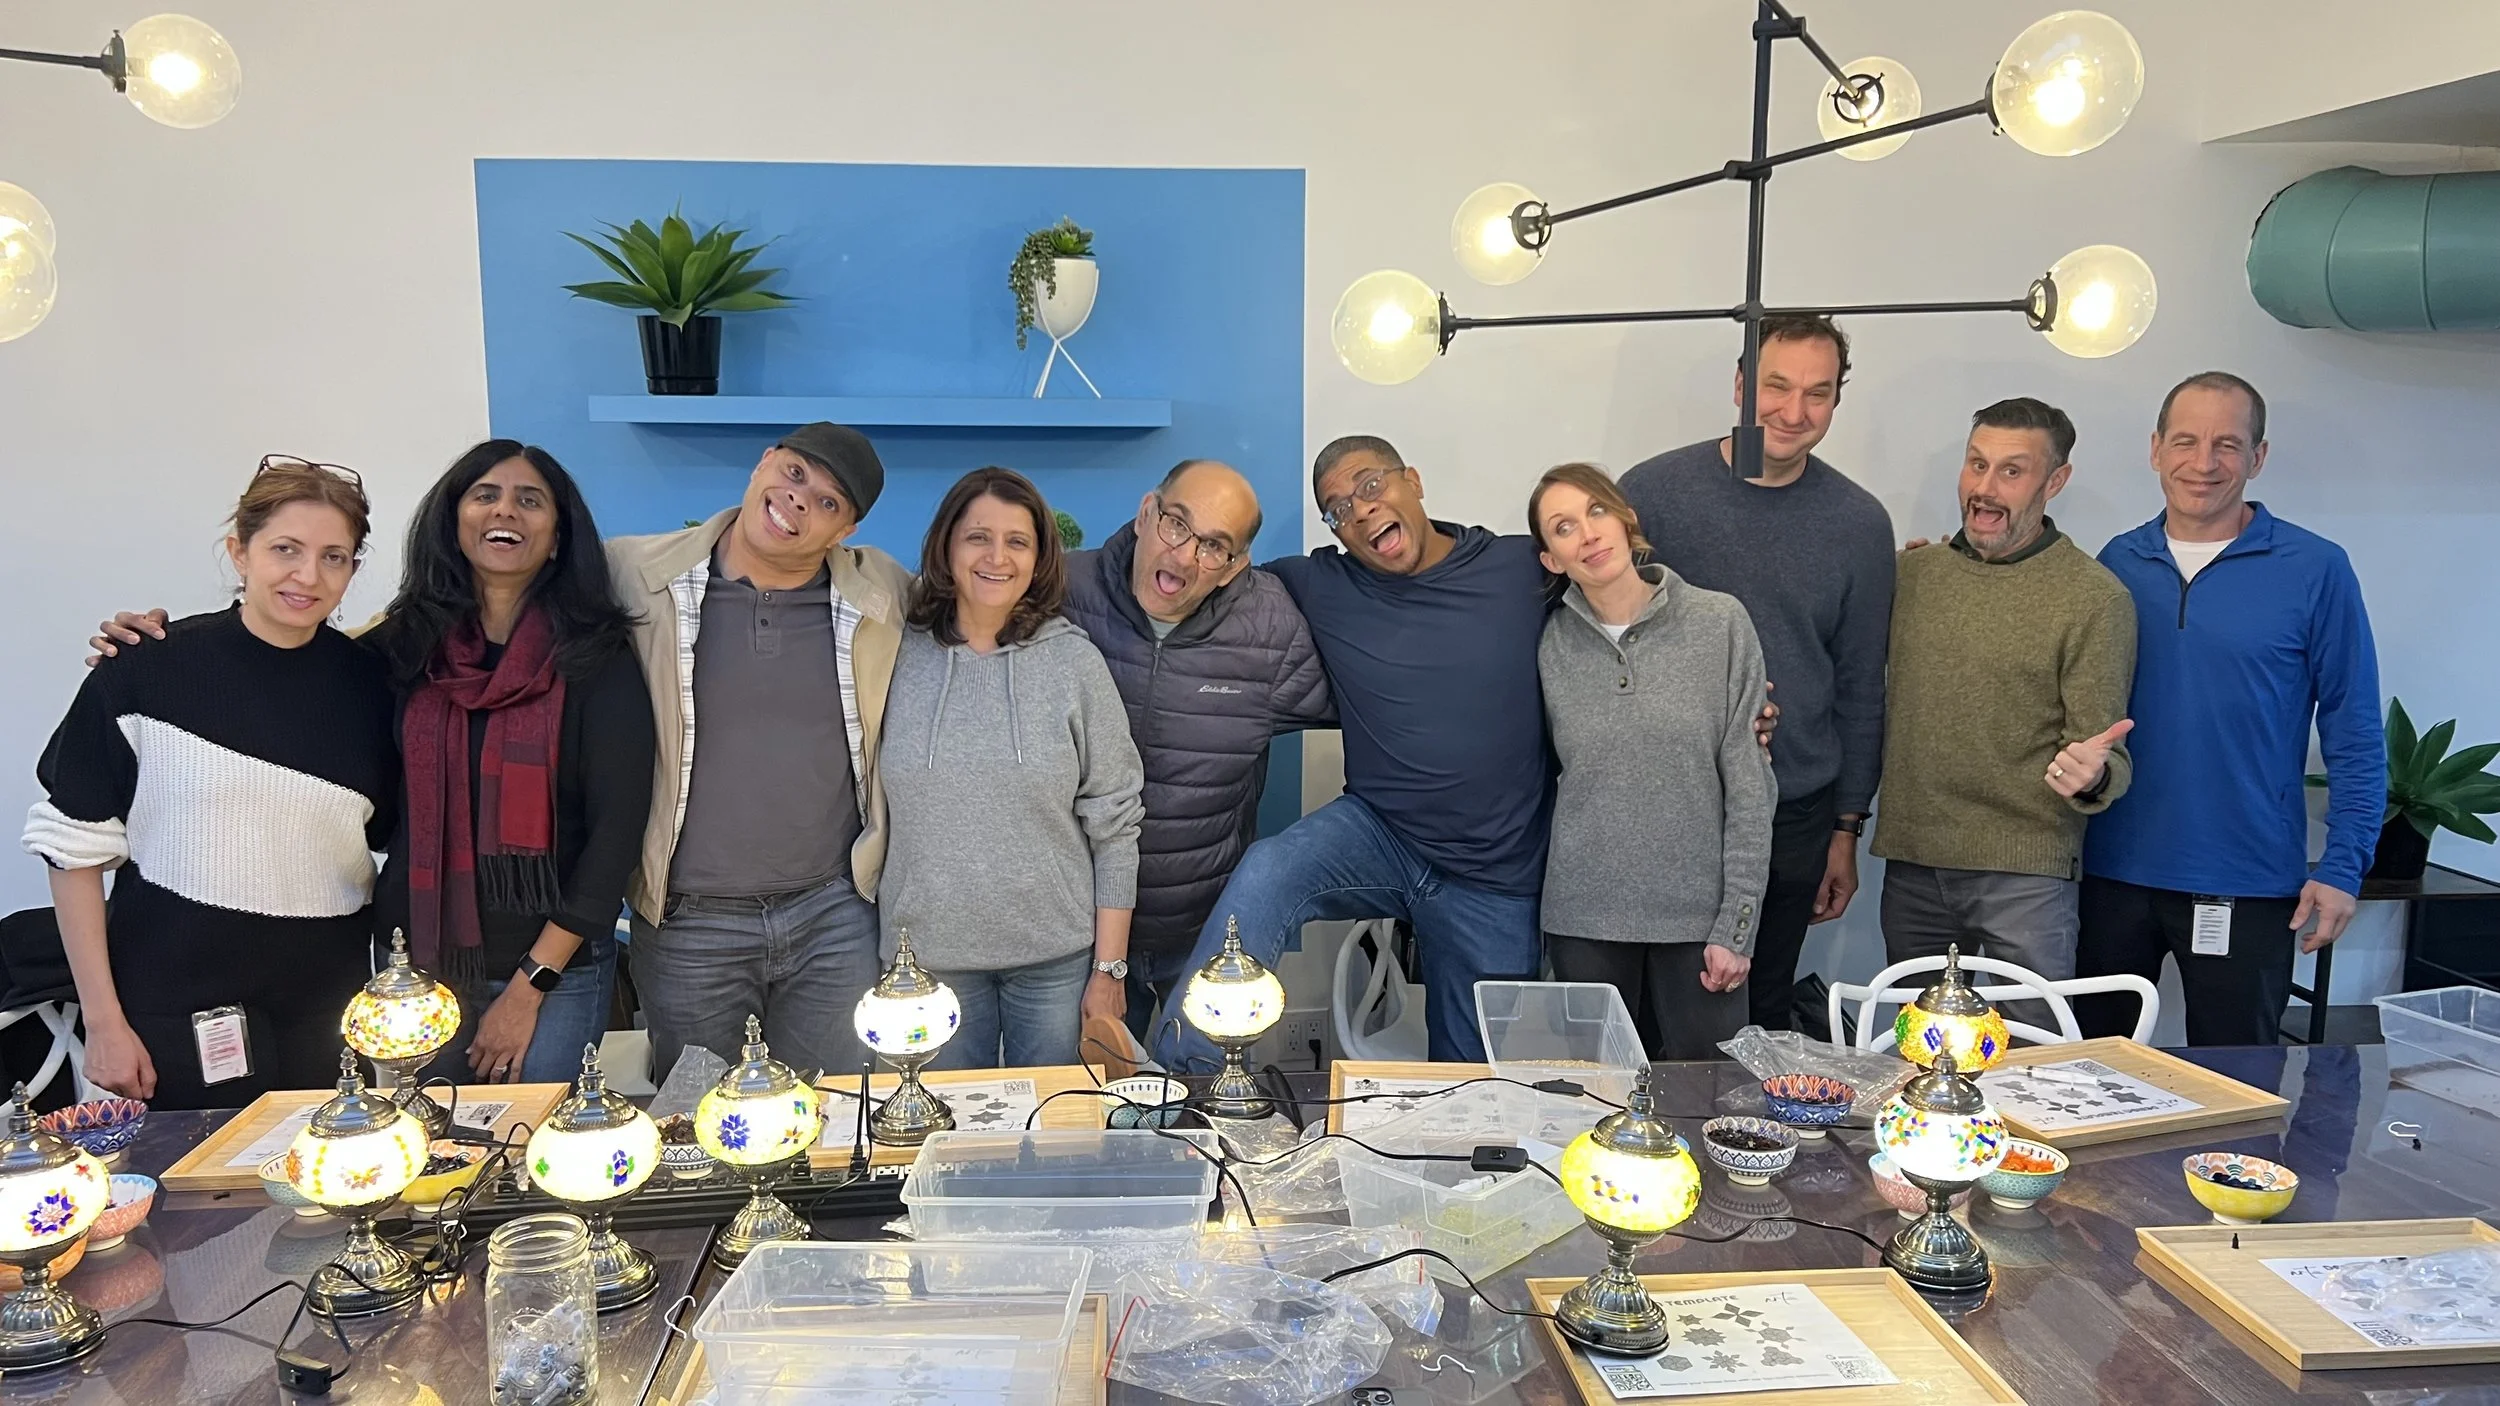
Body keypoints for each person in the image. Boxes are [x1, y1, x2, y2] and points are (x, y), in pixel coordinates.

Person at [1156, 435, 1554, 1070]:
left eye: (1370, 487)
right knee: (1270, 868)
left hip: (1496, 875)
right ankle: (1180, 1078)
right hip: (1380, 831)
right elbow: (1215, 572)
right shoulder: (1319, 583)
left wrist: (1741, 702)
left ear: (1413, 481)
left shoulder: (1521, 569)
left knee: (1471, 1084)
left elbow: (1627, 611)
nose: (1360, 511)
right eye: (1338, 509)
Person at [27, 458, 398, 1108]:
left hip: (325, 1020)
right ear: (239, 552)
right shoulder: (145, 671)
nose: (308, 575)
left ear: (353, 571)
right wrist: (105, 1024)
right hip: (172, 1016)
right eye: (286, 549)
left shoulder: (376, 689)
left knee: (329, 1199)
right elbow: (72, 850)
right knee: (192, 1206)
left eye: (333, 557)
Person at [2075, 372, 2385, 1046]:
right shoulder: (2115, 563)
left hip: (2246, 882)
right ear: (2155, 449)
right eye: (2185, 441)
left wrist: (2342, 866)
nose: (2204, 463)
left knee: (2237, 1092)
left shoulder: (2316, 569)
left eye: (2227, 444)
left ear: (2258, 457)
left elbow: (2353, 727)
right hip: (2110, 875)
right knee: (2085, 1083)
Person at [605, 423, 914, 1080]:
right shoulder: (635, 575)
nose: (800, 501)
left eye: (828, 503)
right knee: (699, 1132)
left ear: (846, 532)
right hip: (690, 922)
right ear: (764, 463)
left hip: (833, 917)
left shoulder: (882, 594)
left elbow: (991, 601)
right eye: (797, 474)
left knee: (837, 1121)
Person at [1618, 315, 1895, 1033]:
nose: (1794, 412)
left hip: (1795, 812)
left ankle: (1754, 1149)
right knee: (1654, 1019)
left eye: (1818, 394)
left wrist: (1846, 829)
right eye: (1776, 386)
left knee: (1759, 1015)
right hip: (1667, 805)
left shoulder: (1860, 523)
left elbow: (1862, 684)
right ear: (1742, 386)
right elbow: (1606, 642)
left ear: (1838, 401)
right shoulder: (1652, 493)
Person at [364, 442, 655, 1085]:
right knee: (425, 1157)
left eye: (530, 500)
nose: (507, 511)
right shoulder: (400, 647)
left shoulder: (596, 658)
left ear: (556, 537)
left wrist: (529, 986)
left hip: (556, 971)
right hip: (415, 965)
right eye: (486, 495)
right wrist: (147, 643)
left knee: (535, 1159)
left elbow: (616, 834)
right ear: (455, 519)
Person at [1872, 399, 2136, 1027]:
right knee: (1918, 1061)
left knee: (2035, 1065)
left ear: (2056, 482)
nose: (1985, 489)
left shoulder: (2095, 598)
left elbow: (2108, 752)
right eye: (1976, 465)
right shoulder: (1913, 574)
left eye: (2011, 472)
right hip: (1914, 861)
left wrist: (2094, 776)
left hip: (2027, 874)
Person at [878, 467, 1144, 1069]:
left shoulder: (1074, 662)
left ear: (1039, 557)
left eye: (1017, 541)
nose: (997, 557)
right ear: (946, 545)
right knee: (942, 1146)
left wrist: (1109, 969)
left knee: (1053, 1138)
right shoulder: (892, 654)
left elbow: (1116, 823)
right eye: (978, 537)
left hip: (1055, 961)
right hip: (924, 959)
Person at [1059, 459, 1332, 1037]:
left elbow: (1371, 709)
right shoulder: (1060, 593)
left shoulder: (1272, 630)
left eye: (1213, 547)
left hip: (1204, 926)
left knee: (1204, 1102)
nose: (1184, 556)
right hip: (1076, 930)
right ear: (1144, 514)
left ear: (1235, 568)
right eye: (1175, 525)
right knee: (1087, 1105)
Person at [1529, 464, 1775, 1059]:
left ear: (1624, 518)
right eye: (1563, 528)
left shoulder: (1720, 624)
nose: (1587, 534)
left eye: (1595, 512)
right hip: (1584, 918)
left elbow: (1750, 787)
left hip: (1699, 923)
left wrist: (1736, 926)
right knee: (1596, 1109)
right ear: (1551, 560)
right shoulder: (1544, 644)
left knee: (1713, 1104)